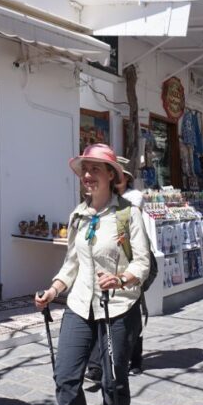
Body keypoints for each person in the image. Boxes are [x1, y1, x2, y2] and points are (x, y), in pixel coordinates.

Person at [34, 144, 150, 405]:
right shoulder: (78, 215)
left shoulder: (128, 215)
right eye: (84, 169)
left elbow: (142, 262)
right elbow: (71, 263)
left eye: (95, 169)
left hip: (118, 307)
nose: (87, 176)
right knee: (65, 379)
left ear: (111, 176)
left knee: (113, 383)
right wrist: (53, 290)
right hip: (79, 305)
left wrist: (122, 278)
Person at [86, 157, 146, 382]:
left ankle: (134, 359)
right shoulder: (95, 202)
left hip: (128, 266)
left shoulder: (132, 200)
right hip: (103, 274)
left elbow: (134, 237)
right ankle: (96, 365)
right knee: (98, 318)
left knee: (130, 318)